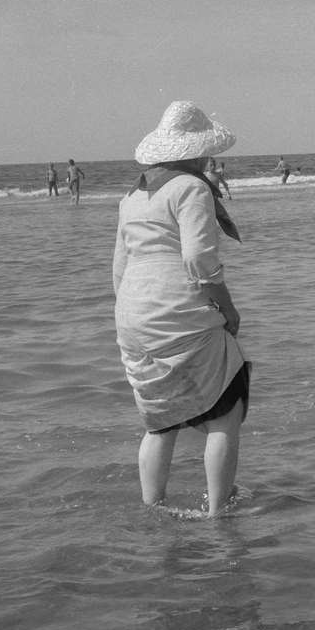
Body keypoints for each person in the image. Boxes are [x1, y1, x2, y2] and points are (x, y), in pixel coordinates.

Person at [113, 100, 248, 515]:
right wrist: (226, 307)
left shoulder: (132, 196)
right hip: (178, 308)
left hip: (132, 314)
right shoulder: (191, 188)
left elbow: (119, 268)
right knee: (226, 412)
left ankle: (153, 508)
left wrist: (134, 314)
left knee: (160, 421)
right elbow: (198, 258)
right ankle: (218, 512)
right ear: (198, 151)